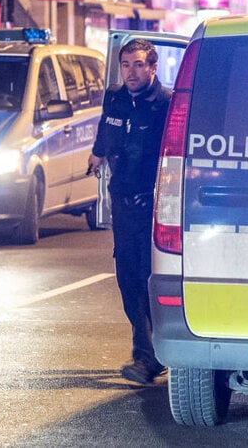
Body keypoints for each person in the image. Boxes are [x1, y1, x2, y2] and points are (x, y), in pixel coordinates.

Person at [88, 39, 172, 385]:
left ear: (153, 67)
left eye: (138, 65)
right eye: (126, 65)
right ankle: (151, 350)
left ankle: (148, 356)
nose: (131, 72)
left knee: (144, 277)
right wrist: (97, 153)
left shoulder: (166, 103)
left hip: (150, 203)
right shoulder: (116, 96)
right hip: (121, 200)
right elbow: (107, 129)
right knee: (127, 279)